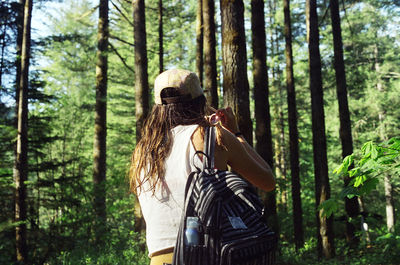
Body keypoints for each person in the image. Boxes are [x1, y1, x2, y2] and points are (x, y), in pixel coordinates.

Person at [129, 69, 275, 265]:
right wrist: (236, 133)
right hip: (207, 256)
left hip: (159, 258)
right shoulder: (210, 136)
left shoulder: (143, 151)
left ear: (157, 108)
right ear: (200, 102)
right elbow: (267, 180)